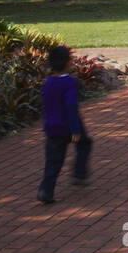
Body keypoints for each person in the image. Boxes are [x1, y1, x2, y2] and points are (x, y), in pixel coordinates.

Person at [38, 44, 91, 205]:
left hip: (52, 127)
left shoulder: (48, 82)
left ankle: (45, 190)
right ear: (68, 63)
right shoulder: (70, 83)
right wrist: (75, 129)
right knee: (85, 143)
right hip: (69, 126)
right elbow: (71, 106)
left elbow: (45, 103)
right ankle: (79, 173)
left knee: (53, 161)